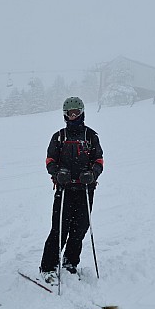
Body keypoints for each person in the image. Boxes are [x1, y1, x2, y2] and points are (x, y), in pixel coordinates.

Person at [39, 97, 104, 284]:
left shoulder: (91, 136)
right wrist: (58, 173)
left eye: (76, 112)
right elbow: (50, 160)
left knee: (80, 228)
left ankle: (70, 263)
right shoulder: (59, 136)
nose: (73, 116)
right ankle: (48, 266)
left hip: (84, 190)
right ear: (65, 115)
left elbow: (99, 160)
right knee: (59, 228)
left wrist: (92, 174)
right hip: (64, 189)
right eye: (70, 113)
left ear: (82, 113)